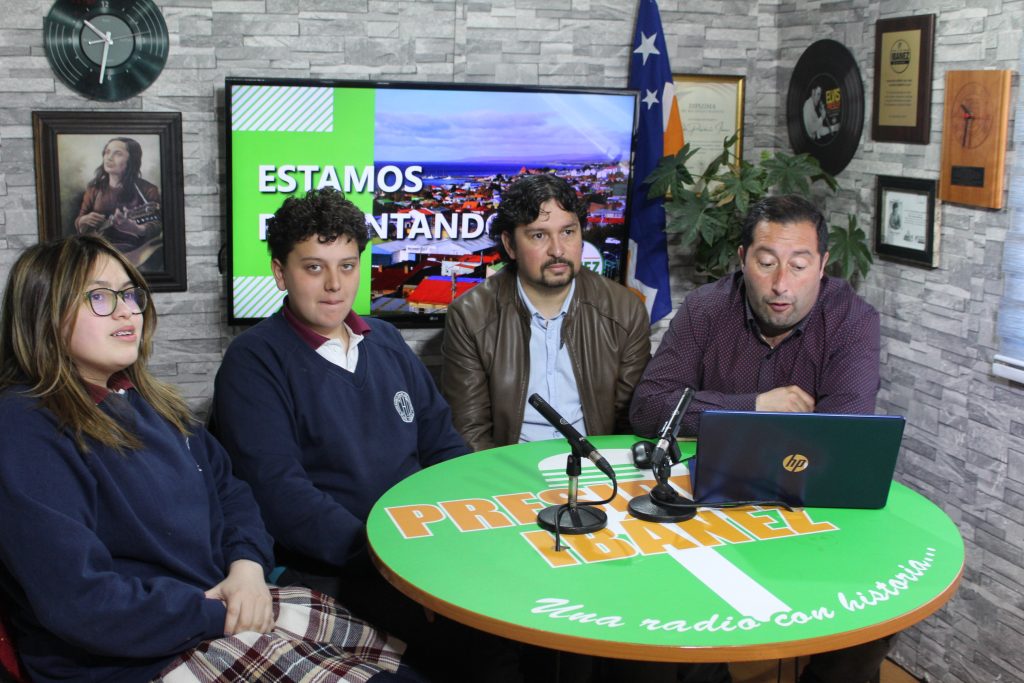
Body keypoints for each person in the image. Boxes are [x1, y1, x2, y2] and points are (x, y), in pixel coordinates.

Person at [0, 235, 413, 683]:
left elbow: (232, 492)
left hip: (223, 606)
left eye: (130, 293)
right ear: (44, 312)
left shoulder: (150, 402)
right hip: (140, 658)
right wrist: (225, 614)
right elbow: (81, 603)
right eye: (99, 296)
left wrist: (248, 569)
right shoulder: (25, 426)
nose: (126, 311)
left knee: (420, 656)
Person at [210, 189, 519, 681]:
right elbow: (281, 497)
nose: (335, 285)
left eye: (348, 266)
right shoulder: (253, 362)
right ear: (279, 272)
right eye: (314, 268)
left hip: (420, 548)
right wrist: (398, 562)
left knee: (523, 612)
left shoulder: (387, 339)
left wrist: (471, 529)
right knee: (484, 647)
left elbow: (442, 445)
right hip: (340, 566)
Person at [630, 194, 885, 683]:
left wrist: (709, 412)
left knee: (864, 639)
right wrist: (755, 405)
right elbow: (649, 407)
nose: (781, 285)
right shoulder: (706, 308)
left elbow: (840, 440)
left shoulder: (853, 321)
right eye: (766, 263)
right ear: (742, 259)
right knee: (666, 636)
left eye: (799, 265)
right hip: (707, 511)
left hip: (807, 513)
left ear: (823, 266)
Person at [442, 173, 651, 453]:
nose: (557, 250)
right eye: (539, 235)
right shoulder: (470, 316)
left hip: (597, 468)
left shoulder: (625, 310)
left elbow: (633, 424)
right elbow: (470, 432)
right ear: (510, 244)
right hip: (508, 472)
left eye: (568, 232)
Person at [74, 137, 163, 271]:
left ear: (131, 159)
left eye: (117, 153)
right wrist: (83, 220)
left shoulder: (147, 190)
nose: (109, 158)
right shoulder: (94, 189)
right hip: (98, 249)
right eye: (107, 152)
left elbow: (159, 226)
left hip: (136, 252)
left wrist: (135, 229)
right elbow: (80, 222)